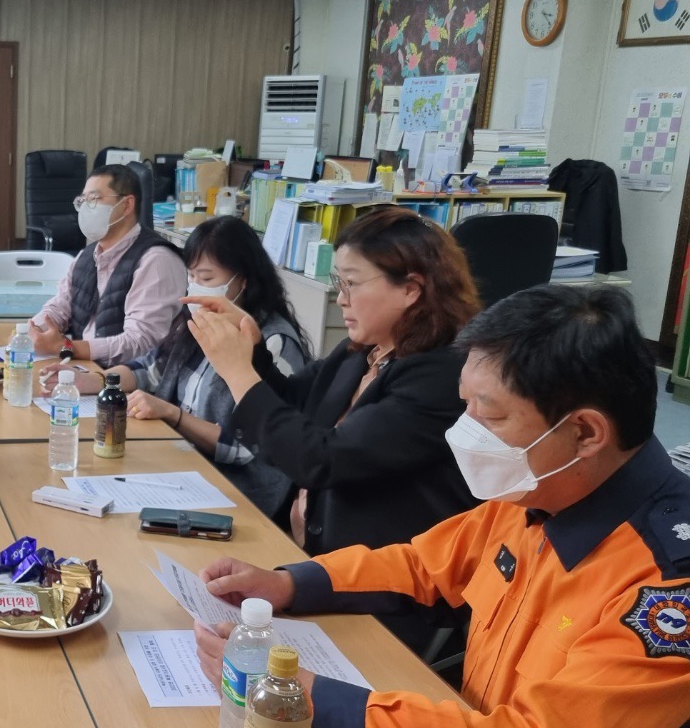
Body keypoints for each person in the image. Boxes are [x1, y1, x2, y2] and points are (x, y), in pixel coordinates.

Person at [192, 285, 690, 728]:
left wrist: (311, 698)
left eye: (491, 414)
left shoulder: (666, 585)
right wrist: (290, 584)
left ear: (585, 432)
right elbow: (422, 565)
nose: (465, 431)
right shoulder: (541, 490)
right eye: (465, 405)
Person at [189, 207, 478, 559]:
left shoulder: (440, 376)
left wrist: (239, 374)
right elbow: (294, 402)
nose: (341, 297)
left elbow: (324, 459)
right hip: (312, 551)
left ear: (410, 289)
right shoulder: (363, 351)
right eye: (339, 282)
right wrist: (251, 350)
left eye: (351, 283)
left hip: (378, 573)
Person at [44, 216, 309, 517]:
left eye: (206, 278)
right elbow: (151, 368)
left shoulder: (273, 342)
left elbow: (248, 450)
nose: (196, 288)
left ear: (243, 280)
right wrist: (93, 380)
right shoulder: (198, 321)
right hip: (183, 466)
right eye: (191, 277)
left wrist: (173, 414)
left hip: (239, 491)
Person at [28, 164, 185, 367]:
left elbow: (140, 341)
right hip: (82, 367)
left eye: (94, 199)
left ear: (126, 205)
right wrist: (31, 332)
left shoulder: (156, 260)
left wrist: (66, 347)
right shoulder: (86, 256)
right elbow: (60, 307)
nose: (86, 207)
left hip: (125, 379)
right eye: (82, 200)